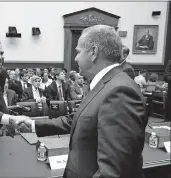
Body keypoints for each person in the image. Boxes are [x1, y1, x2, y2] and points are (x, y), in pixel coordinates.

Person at [17, 25, 148, 178]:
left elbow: (113, 171)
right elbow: (78, 119)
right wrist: (32, 124)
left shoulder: (119, 91)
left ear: (93, 52)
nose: (75, 58)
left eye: (78, 52)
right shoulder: (106, 84)